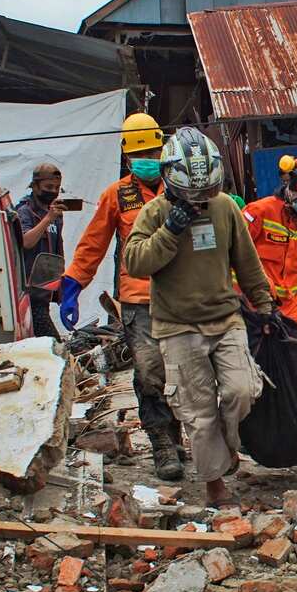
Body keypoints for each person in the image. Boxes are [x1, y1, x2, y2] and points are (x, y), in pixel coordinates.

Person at [123, 126, 274, 508]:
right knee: (199, 411)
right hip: (177, 326)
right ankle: (215, 486)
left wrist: (265, 304)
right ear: (172, 184)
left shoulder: (224, 208)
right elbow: (136, 262)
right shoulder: (154, 213)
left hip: (225, 318)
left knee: (241, 391)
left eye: (206, 192)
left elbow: (247, 261)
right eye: (194, 195)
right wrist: (170, 231)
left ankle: (227, 447)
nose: (201, 201)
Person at [61, 113, 188, 480]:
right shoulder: (116, 195)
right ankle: (162, 443)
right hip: (138, 299)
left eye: (152, 150)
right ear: (127, 156)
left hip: (182, 298)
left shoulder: (181, 189)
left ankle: (178, 436)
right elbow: (93, 244)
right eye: (140, 153)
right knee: (149, 372)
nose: (147, 158)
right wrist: (73, 286)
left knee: (183, 372)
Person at [242, 154, 297, 339]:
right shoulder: (259, 212)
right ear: (294, 185)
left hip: (291, 308)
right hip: (253, 307)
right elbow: (233, 255)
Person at [14, 162, 66, 339]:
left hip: (44, 292)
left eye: (57, 188)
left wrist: (62, 288)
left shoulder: (55, 215)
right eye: (48, 187)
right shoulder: (24, 212)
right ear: (35, 186)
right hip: (28, 294)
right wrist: (48, 219)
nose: (53, 191)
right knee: (53, 344)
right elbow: (26, 241)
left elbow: (57, 250)